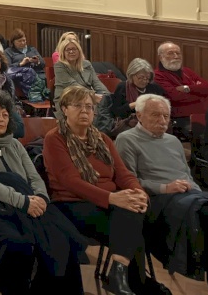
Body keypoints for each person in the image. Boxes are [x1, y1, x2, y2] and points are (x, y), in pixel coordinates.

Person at [0, 90, 85, 293]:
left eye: (5, 114)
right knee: (16, 244)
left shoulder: (15, 144)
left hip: (27, 201)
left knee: (60, 238)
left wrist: (41, 198)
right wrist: (25, 202)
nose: (1, 118)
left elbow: (34, 177)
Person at [44, 85, 150, 295]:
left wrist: (138, 192)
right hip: (72, 204)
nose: (85, 111)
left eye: (89, 107)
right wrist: (112, 198)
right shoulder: (54, 138)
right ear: (64, 109)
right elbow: (70, 181)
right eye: (78, 106)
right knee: (131, 222)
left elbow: (123, 173)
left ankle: (120, 274)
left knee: (135, 207)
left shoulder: (102, 139)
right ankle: (137, 283)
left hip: (109, 202)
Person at [116, 93, 208, 292]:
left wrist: (198, 194)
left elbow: (187, 176)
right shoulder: (127, 140)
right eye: (156, 115)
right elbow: (128, 182)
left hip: (190, 198)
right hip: (157, 201)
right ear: (139, 115)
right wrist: (166, 187)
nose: (163, 120)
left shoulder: (173, 141)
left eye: (166, 116)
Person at [152, 41, 208, 120]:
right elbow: (175, 97)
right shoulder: (157, 75)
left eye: (178, 53)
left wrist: (187, 88)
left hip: (201, 113)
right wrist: (199, 92)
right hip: (180, 118)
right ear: (161, 57)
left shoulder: (187, 71)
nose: (176, 56)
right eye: (171, 53)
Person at [53, 38, 108, 102]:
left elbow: (96, 82)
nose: (71, 52)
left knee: (109, 100)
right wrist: (92, 95)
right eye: (68, 50)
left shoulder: (86, 64)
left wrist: (105, 94)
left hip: (88, 97)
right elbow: (73, 85)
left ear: (79, 51)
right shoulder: (59, 66)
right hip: (68, 99)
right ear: (63, 53)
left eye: (74, 49)